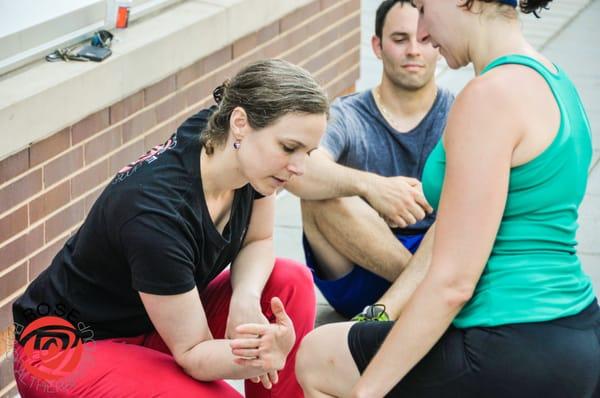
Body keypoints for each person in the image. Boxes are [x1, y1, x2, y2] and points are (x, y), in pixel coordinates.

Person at [295, 0, 600, 396]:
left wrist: (365, 392)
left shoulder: (488, 96)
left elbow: (453, 282)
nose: (424, 30)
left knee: (317, 356)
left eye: (423, 8)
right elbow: (466, 232)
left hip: (505, 341)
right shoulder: (558, 83)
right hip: (577, 332)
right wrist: (376, 319)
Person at [12, 59, 329, 398]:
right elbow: (194, 353)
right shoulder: (156, 215)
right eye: (288, 147)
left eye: (308, 152)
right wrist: (260, 356)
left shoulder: (233, 150)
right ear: (241, 123)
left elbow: (259, 239)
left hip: (156, 322)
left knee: (289, 283)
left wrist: (246, 298)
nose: (299, 167)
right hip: (64, 352)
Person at [285, 0, 454, 321]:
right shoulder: (347, 114)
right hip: (361, 262)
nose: (413, 51)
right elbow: (298, 169)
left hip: (435, 255)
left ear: (438, 45)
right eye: (400, 39)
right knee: (319, 198)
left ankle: (416, 297)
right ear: (377, 46)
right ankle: (428, 298)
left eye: (423, 39)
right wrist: (371, 186)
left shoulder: (458, 113)